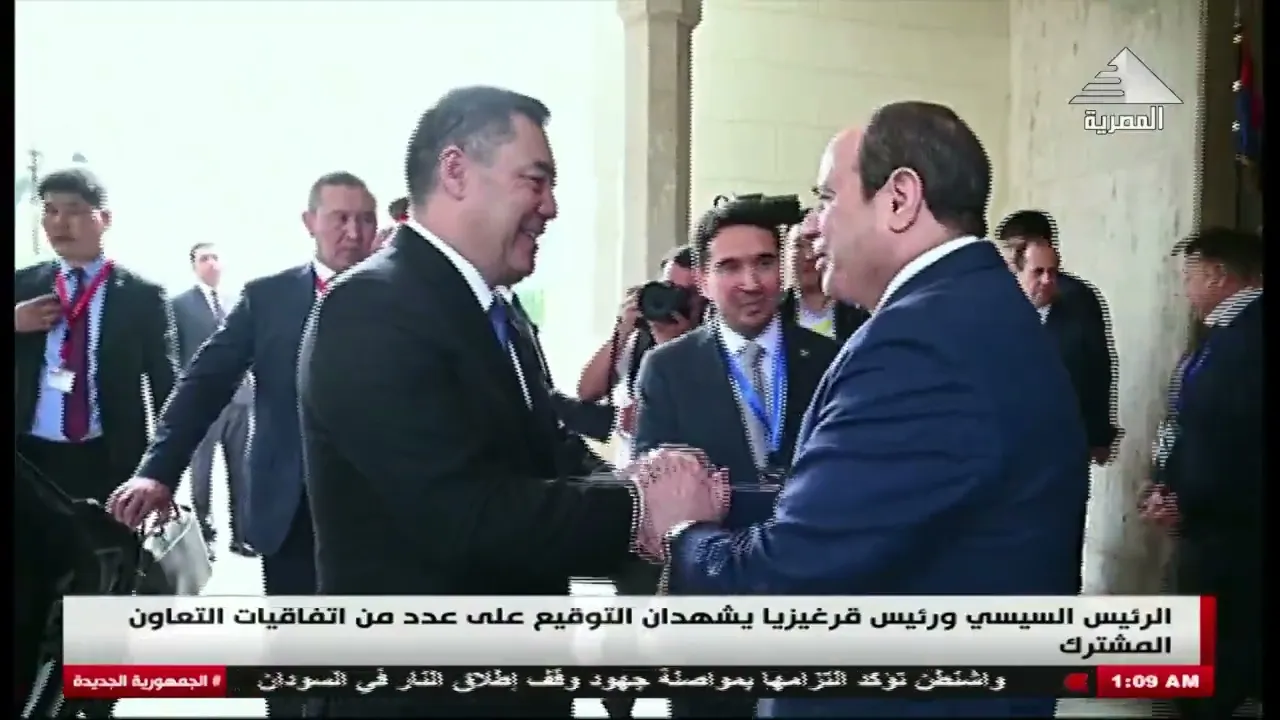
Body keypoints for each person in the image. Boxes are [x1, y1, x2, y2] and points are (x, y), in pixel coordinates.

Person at [645, 102, 1089, 718]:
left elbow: (792, 580)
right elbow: (879, 513)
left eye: (827, 198)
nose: (812, 227)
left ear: (900, 199)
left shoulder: (921, 344)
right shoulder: (970, 310)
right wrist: (730, 505)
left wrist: (683, 533)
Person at [295, 85, 724, 717]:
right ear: (456, 171)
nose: (550, 207)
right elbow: (464, 514)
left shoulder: (501, 313)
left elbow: (546, 448)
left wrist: (638, 480)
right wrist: (640, 507)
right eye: (536, 181)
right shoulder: (373, 310)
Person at [109, 172, 377, 591]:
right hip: (291, 511)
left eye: (366, 219)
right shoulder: (269, 298)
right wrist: (158, 471)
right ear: (310, 221)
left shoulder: (408, 298)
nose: (355, 232)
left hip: (385, 511)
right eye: (340, 218)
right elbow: (204, 384)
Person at [632, 198, 837, 719]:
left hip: (805, 608)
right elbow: (654, 498)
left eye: (764, 262)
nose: (751, 282)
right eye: (729, 267)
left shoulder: (828, 361)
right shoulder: (667, 369)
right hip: (708, 618)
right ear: (702, 280)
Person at [1142, 228, 1261, 720]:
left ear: (1217, 274)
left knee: (1216, 650)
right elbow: (1185, 419)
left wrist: (1183, 501)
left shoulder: (1247, 340)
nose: (1184, 289)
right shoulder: (1222, 334)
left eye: (1188, 276)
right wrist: (1161, 482)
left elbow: (1225, 437)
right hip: (1205, 513)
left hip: (1227, 524)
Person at [15, 167, 177, 505]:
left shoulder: (142, 296)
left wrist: (162, 473)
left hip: (108, 458)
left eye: (73, 211)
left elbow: (166, 386)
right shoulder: (22, 285)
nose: (59, 223)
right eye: (50, 211)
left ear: (104, 218)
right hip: (27, 457)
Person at [996, 210, 1119, 463]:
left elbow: (1097, 368)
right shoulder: (993, 303)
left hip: (1064, 443)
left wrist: (1099, 436)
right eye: (1037, 271)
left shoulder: (1079, 302)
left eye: (1051, 271)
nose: (1046, 280)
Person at [577, 245, 703, 464]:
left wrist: (673, 345)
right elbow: (587, 392)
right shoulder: (641, 337)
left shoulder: (713, 345)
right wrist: (622, 332)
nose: (675, 299)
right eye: (668, 287)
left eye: (687, 293)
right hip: (634, 470)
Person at [170, 241, 254, 557]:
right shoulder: (179, 305)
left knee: (242, 470)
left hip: (240, 399)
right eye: (204, 258)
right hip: (203, 402)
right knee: (201, 472)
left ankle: (242, 535)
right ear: (194, 266)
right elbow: (175, 353)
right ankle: (206, 536)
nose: (212, 263)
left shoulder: (237, 302)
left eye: (216, 257)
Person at [778, 209, 869, 342]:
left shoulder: (860, 312)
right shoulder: (774, 315)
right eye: (798, 246)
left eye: (814, 244)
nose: (809, 255)